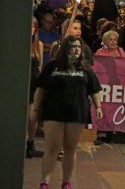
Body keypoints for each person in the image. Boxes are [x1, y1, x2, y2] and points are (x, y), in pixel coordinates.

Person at [32, 36, 103, 189]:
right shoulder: (53, 67)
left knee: (70, 148)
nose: (77, 49)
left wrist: (98, 107)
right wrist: (35, 109)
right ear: (65, 49)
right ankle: (44, 182)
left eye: (79, 46)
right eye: (73, 46)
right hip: (53, 112)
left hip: (76, 113)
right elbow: (40, 89)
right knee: (52, 148)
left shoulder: (85, 69)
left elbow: (94, 90)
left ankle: (66, 182)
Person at [26, 17, 44, 158]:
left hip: (34, 84)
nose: (31, 29)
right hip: (23, 84)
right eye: (29, 26)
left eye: (34, 26)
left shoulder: (39, 45)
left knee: (32, 117)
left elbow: (39, 66)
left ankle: (30, 142)